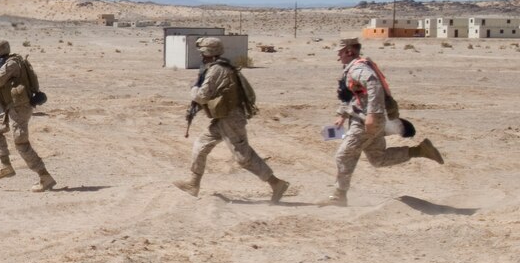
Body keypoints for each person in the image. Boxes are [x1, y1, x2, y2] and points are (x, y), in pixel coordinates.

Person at [319, 38, 444, 206]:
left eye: (340, 52)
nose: (338, 56)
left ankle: (339, 195)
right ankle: (420, 150)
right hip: (366, 117)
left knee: (344, 155)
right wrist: (342, 114)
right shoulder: (355, 67)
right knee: (378, 158)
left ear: (349, 51)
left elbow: (373, 85)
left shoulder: (358, 69)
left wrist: (373, 113)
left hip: (366, 120)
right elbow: (351, 94)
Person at [173, 37, 290, 203]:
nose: (201, 56)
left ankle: (276, 183)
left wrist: (193, 89)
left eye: (203, 52)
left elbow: (202, 96)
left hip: (231, 119)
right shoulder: (217, 67)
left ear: (209, 52)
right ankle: (194, 183)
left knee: (243, 157)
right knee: (200, 145)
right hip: (222, 118)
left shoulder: (217, 70)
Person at [0, 38, 56, 192]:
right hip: (12, 107)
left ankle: (45, 177)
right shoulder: (12, 61)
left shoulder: (11, 64)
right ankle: (6, 166)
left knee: (21, 143)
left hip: (20, 109)